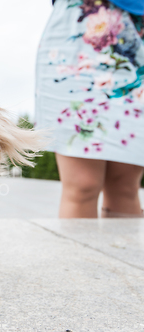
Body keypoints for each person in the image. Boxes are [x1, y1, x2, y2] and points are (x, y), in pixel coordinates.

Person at [36, 0, 144, 218]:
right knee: (82, 186)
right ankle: (78, 254)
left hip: (136, 36)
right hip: (76, 40)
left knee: (125, 187)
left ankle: (122, 253)